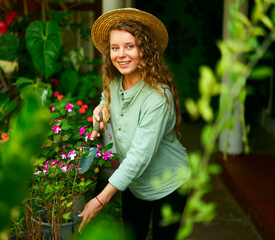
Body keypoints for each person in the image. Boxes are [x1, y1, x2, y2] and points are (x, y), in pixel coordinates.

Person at [78, 8, 191, 240]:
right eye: (114, 47)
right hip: (134, 182)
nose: (121, 54)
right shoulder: (114, 83)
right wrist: (100, 108)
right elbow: (106, 99)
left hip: (169, 183)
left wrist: (100, 200)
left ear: (145, 50)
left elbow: (139, 156)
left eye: (130, 46)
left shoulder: (158, 97)